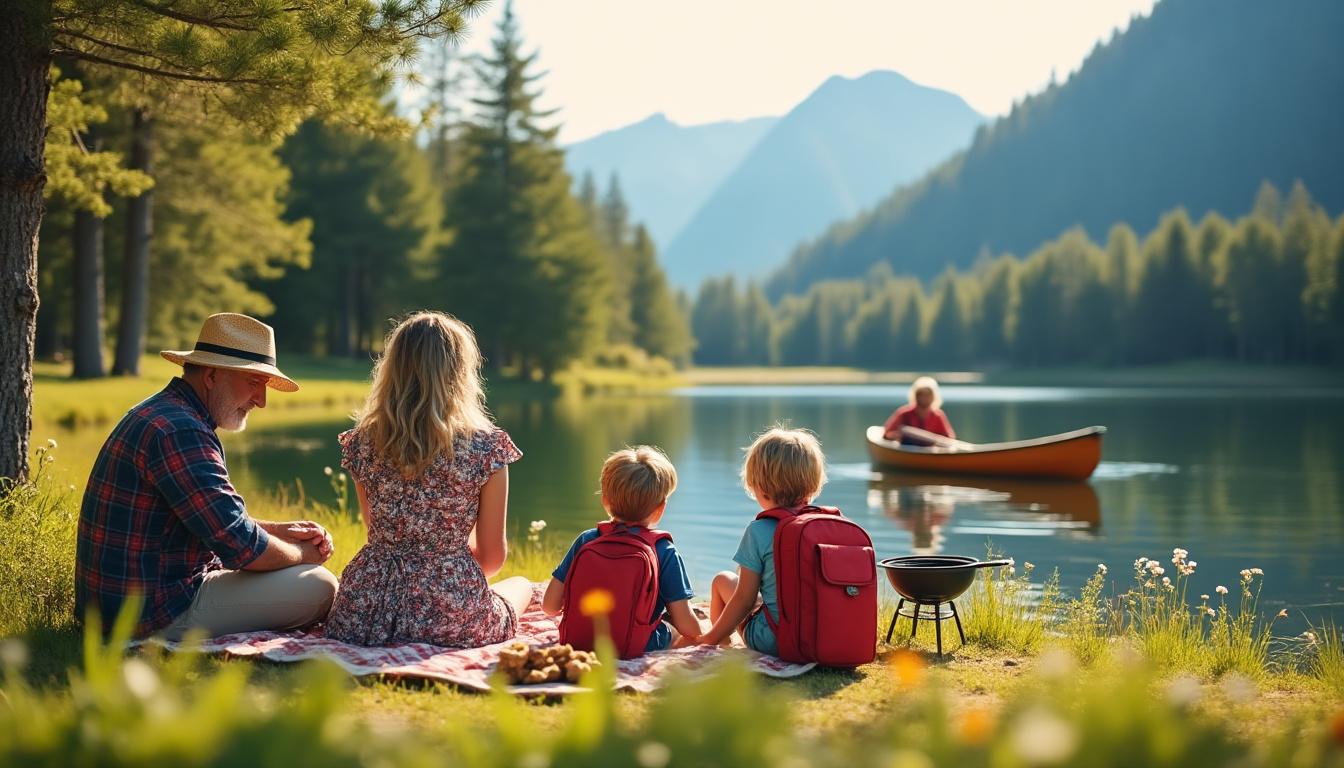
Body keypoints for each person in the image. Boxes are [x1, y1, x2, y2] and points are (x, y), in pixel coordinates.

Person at [76, 313, 339, 640]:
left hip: (125, 603)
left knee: (300, 576)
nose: (261, 401)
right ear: (212, 375)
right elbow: (240, 547)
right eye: (254, 383)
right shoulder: (182, 431)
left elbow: (210, 521)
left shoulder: (167, 413)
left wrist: (280, 531)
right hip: (150, 613)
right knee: (319, 586)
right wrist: (304, 555)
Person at [323, 311, 532, 647]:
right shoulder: (486, 447)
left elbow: (374, 526)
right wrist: (445, 568)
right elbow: (492, 558)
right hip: (449, 616)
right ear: (460, 374)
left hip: (363, 612)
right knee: (521, 585)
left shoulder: (362, 443)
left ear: (392, 369)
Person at [541, 446, 701, 654]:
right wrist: (701, 630)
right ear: (660, 509)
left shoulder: (587, 540)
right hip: (638, 646)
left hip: (579, 641)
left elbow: (549, 606)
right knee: (678, 632)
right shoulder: (663, 550)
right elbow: (685, 623)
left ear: (605, 500)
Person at [699, 427, 828, 654]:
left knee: (723, 580)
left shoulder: (759, 531)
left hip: (775, 639)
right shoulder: (825, 525)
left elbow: (744, 601)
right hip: (825, 636)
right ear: (813, 483)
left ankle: (719, 642)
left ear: (761, 488)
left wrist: (706, 639)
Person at [882, 376, 956, 445]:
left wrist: (933, 440)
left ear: (933, 397)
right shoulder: (904, 413)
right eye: (921, 394)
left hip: (930, 451)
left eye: (928, 395)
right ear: (915, 395)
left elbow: (949, 439)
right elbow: (887, 433)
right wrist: (901, 436)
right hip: (906, 450)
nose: (924, 398)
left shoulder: (938, 416)